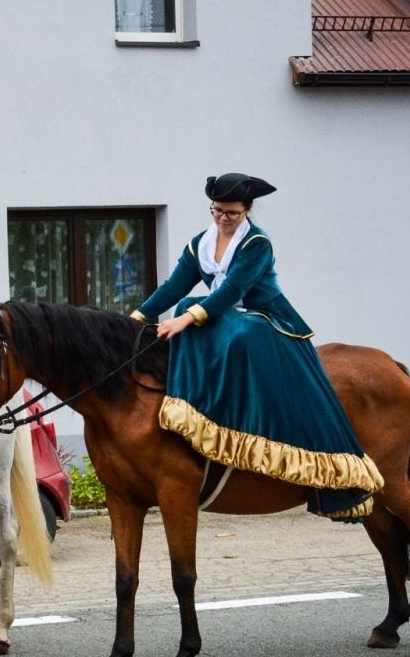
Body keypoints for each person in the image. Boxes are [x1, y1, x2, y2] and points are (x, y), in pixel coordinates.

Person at [130, 173, 383, 520]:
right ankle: (197, 419)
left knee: (232, 332)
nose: (223, 217)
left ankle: (243, 420)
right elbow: (174, 286)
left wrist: (184, 319)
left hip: (265, 317)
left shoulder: (257, 244)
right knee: (189, 311)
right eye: (217, 210)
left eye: (232, 212)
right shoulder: (199, 244)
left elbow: (231, 292)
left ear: (247, 210)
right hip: (220, 315)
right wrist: (135, 318)